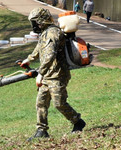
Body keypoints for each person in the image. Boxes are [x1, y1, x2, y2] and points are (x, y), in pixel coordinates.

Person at [20, 7, 86, 141]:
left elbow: (49, 56)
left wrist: (40, 74)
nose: (33, 25)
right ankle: (41, 130)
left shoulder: (53, 33)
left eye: (34, 22)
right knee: (41, 103)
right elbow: (40, 48)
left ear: (41, 21)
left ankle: (78, 122)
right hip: (48, 74)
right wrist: (29, 59)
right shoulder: (45, 33)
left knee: (59, 103)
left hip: (58, 75)